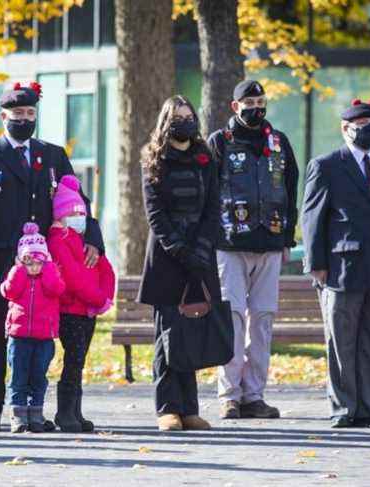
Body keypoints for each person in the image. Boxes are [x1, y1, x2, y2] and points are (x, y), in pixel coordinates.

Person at [0, 81, 105, 432]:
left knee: (40, 338)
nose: (25, 120)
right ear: (3, 116)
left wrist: (94, 239)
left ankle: (35, 408)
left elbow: (78, 202)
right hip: (1, 267)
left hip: (46, 269)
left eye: (30, 114)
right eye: (18, 114)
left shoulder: (53, 155)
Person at [302, 98, 370, 429]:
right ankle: (345, 408)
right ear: (346, 129)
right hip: (343, 268)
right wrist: (316, 263)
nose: (369, 132)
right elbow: (313, 218)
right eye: (362, 128)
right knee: (342, 342)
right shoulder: (328, 165)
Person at [207, 80, 299, 420]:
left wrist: (287, 239)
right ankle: (229, 394)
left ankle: (254, 395)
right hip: (230, 245)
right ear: (235, 107)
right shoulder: (220, 142)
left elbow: (292, 189)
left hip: (270, 243)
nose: (256, 108)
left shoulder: (279, 142)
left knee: (262, 320)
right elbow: (208, 192)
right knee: (232, 319)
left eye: (261, 101)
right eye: (249, 102)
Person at [136, 95, 219, 432]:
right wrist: (180, 250)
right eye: (179, 117)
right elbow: (155, 213)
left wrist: (200, 248)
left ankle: (189, 408)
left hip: (200, 254)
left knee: (191, 333)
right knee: (166, 335)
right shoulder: (153, 158)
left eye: (190, 116)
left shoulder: (205, 157)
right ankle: (167, 408)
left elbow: (214, 205)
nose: (186, 122)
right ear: (166, 121)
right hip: (168, 258)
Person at [47, 175, 115, 432]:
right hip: (71, 310)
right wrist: (98, 298)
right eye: (73, 213)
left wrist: (105, 296)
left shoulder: (82, 238)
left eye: (81, 213)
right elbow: (74, 279)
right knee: (73, 360)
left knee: (80, 361)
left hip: (88, 310)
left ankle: (76, 410)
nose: (78, 217)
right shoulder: (58, 241)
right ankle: (65, 412)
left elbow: (104, 268)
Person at [0, 222, 64, 433]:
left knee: (38, 376)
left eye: (38, 260)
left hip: (44, 337)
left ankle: (35, 414)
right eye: (28, 260)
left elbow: (57, 289)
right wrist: (18, 269)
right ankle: (18, 416)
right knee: (18, 377)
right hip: (19, 336)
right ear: (21, 259)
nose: (33, 265)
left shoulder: (50, 274)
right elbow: (8, 291)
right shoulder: (18, 274)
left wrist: (48, 270)